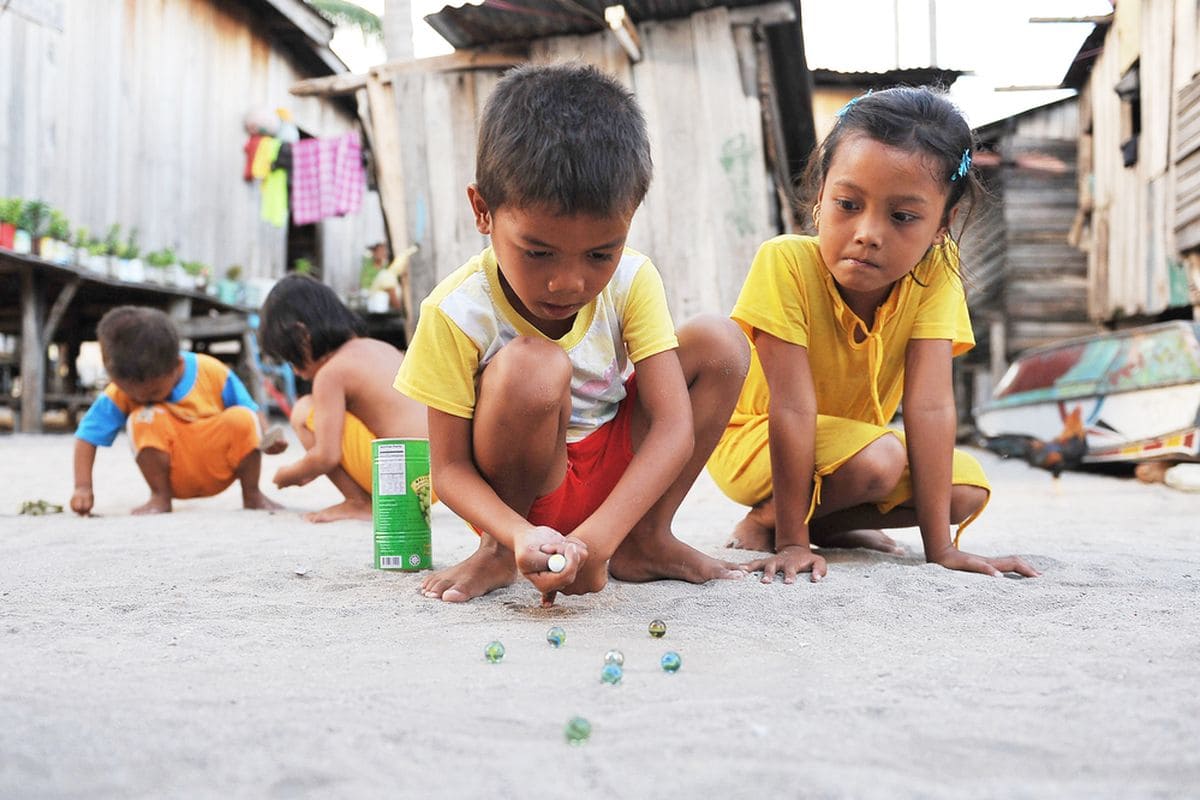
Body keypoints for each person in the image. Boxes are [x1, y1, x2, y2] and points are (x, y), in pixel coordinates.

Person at [394, 63, 750, 605]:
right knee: (532, 366)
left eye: (600, 254)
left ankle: (644, 539)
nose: (569, 282)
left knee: (720, 343)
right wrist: (516, 534)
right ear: (483, 211)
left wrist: (597, 543)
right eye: (538, 252)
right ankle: (496, 553)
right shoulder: (456, 312)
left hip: (619, 488)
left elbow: (673, 427)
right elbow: (449, 471)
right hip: (521, 505)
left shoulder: (633, 279)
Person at [706, 87, 1040, 583]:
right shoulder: (784, 263)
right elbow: (791, 408)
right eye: (848, 203)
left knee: (965, 489)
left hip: (856, 449)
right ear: (820, 195)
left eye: (902, 217)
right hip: (757, 442)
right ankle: (771, 519)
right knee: (881, 460)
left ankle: (832, 524)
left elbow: (930, 406)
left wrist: (941, 549)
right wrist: (793, 542)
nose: (868, 233)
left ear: (942, 224)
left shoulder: (936, 271)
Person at [71, 306, 285, 516]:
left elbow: (251, 409)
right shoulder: (120, 392)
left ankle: (252, 494)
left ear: (178, 365)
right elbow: (88, 435)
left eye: (154, 392)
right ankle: (160, 497)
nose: (142, 399)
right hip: (172, 474)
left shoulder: (211, 371)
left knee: (243, 417)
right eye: (133, 395)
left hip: (220, 464)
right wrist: (83, 487)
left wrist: (268, 437)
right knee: (143, 418)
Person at [259, 273, 427, 522]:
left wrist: (287, 474)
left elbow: (326, 457)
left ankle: (359, 502)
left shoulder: (331, 374)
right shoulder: (382, 348)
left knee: (304, 410)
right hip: (431, 480)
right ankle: (366, 500)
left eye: (291, 358)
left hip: (400, 477)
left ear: (303, 336)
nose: (295, 371)